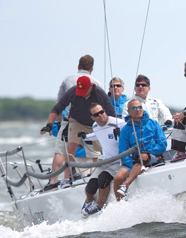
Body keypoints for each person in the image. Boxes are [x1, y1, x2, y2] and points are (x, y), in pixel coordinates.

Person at [40, 76, 116, 188]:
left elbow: (110, 112)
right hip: (76, 121)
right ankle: (67, 178)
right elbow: (57, 108)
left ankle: (107, 172)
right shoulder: (73, 92)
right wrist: (49, 125)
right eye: (81, 91)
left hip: (95, 122)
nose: (82, 94)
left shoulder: (99, 93)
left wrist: (113, 128)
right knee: (71, 146)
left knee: (102, 149)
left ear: (91, 86)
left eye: (85, 91)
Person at [43, 55, 102, 190]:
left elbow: (59, 105)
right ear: (92, 68)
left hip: (70, 120)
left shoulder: (67, 80)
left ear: (78, 66)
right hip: (91, 122)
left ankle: (54, 181)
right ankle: (97, 175)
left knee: (61, 151)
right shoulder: (97, 82)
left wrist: (57, 123)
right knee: (95, 152)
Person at [79, 103, 126, 217]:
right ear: (92, 117)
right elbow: (98, 135)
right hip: (106, 160)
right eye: (96, 114)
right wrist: (86, 137)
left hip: (119, 160)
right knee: (91, 184)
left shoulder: (119, 123)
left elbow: (131, 135)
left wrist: (122, 135)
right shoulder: (95, 126)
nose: (101, 115)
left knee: (103, 178)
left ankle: (100, 205)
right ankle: (89, 201)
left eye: (102, 112)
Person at [114, 99, 167, 200]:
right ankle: (119, 204)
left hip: (152, 156)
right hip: (134, 160)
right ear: (129, 111)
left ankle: (126, 185)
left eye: (140, 107)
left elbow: (162, 144)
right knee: (118, 177)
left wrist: (148, 151)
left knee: (142, 156)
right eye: (134, 108)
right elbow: (123, 152)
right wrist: (131, 164)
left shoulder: (153, 123)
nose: (138, 110)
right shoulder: (126, 129)